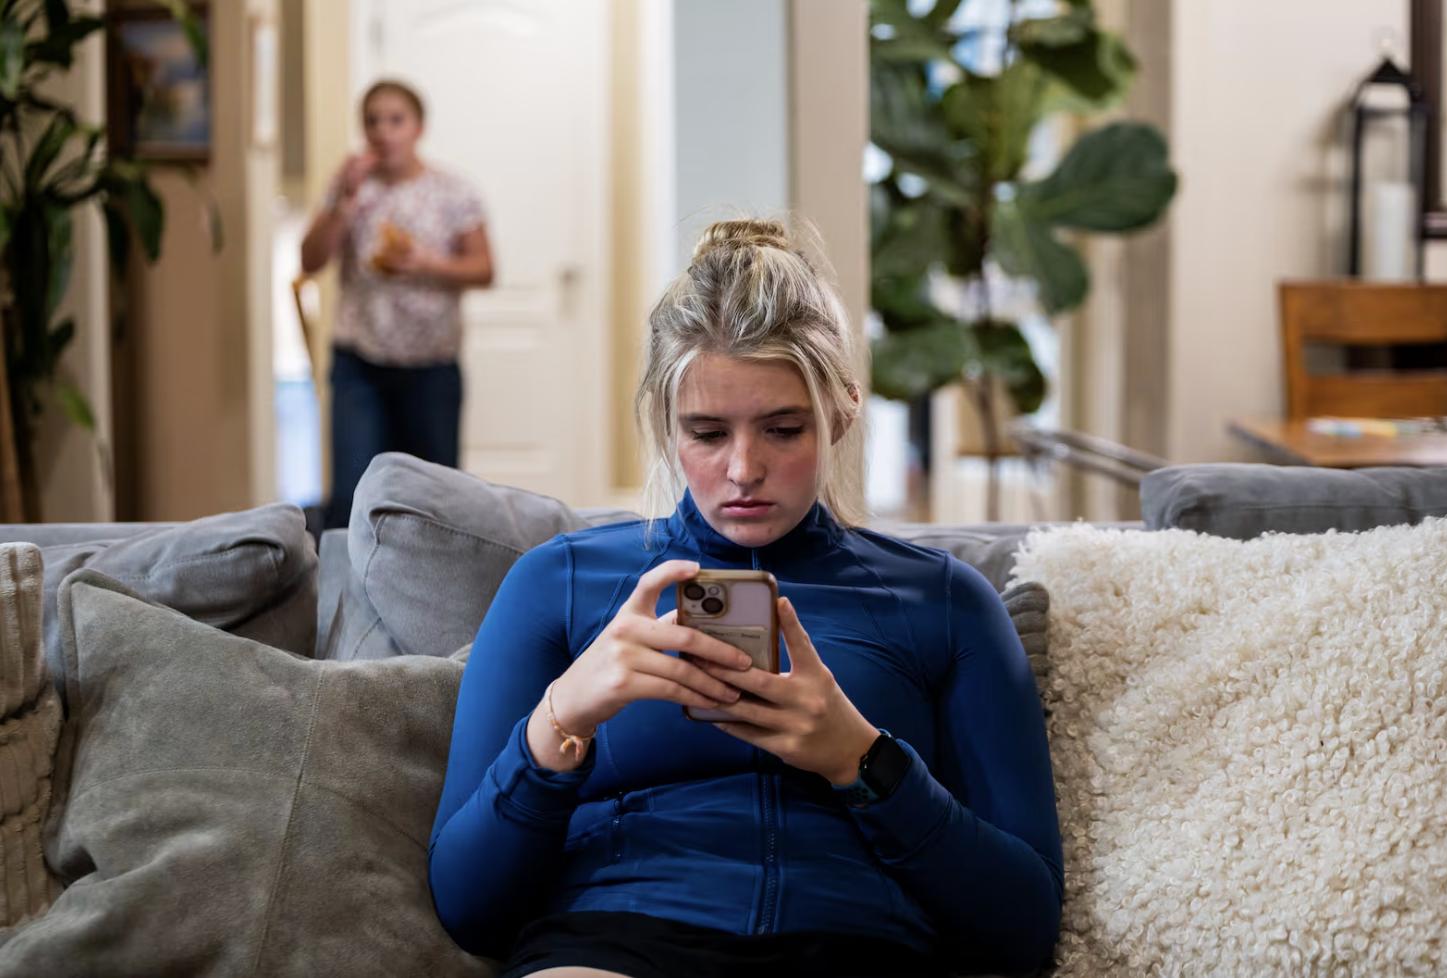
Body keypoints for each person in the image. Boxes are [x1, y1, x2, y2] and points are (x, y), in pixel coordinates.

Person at [429, 219, 1062, 978]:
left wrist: (862, 761)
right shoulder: (556, 585)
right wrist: (560, 721)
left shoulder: (946, 603)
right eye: (706, 432)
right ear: (667, 429)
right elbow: (469, 908)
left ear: (841, 411)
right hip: (614, 940)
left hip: (860, 943)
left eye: (782, 429)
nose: (743, 469)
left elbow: (1022, 929)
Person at [300, 79, 494, 529]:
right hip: (360, 363)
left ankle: (434, 595)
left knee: (436, 500)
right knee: (350, 495)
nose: (383, 131)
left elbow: (483, 269)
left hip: (431, 367)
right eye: (372, 121)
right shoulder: (351, 189)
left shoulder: (454, 190)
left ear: (418, 127)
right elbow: (311, 260)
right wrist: (342, 201)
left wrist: (428, 263)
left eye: (395, 120)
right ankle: (343, 595)